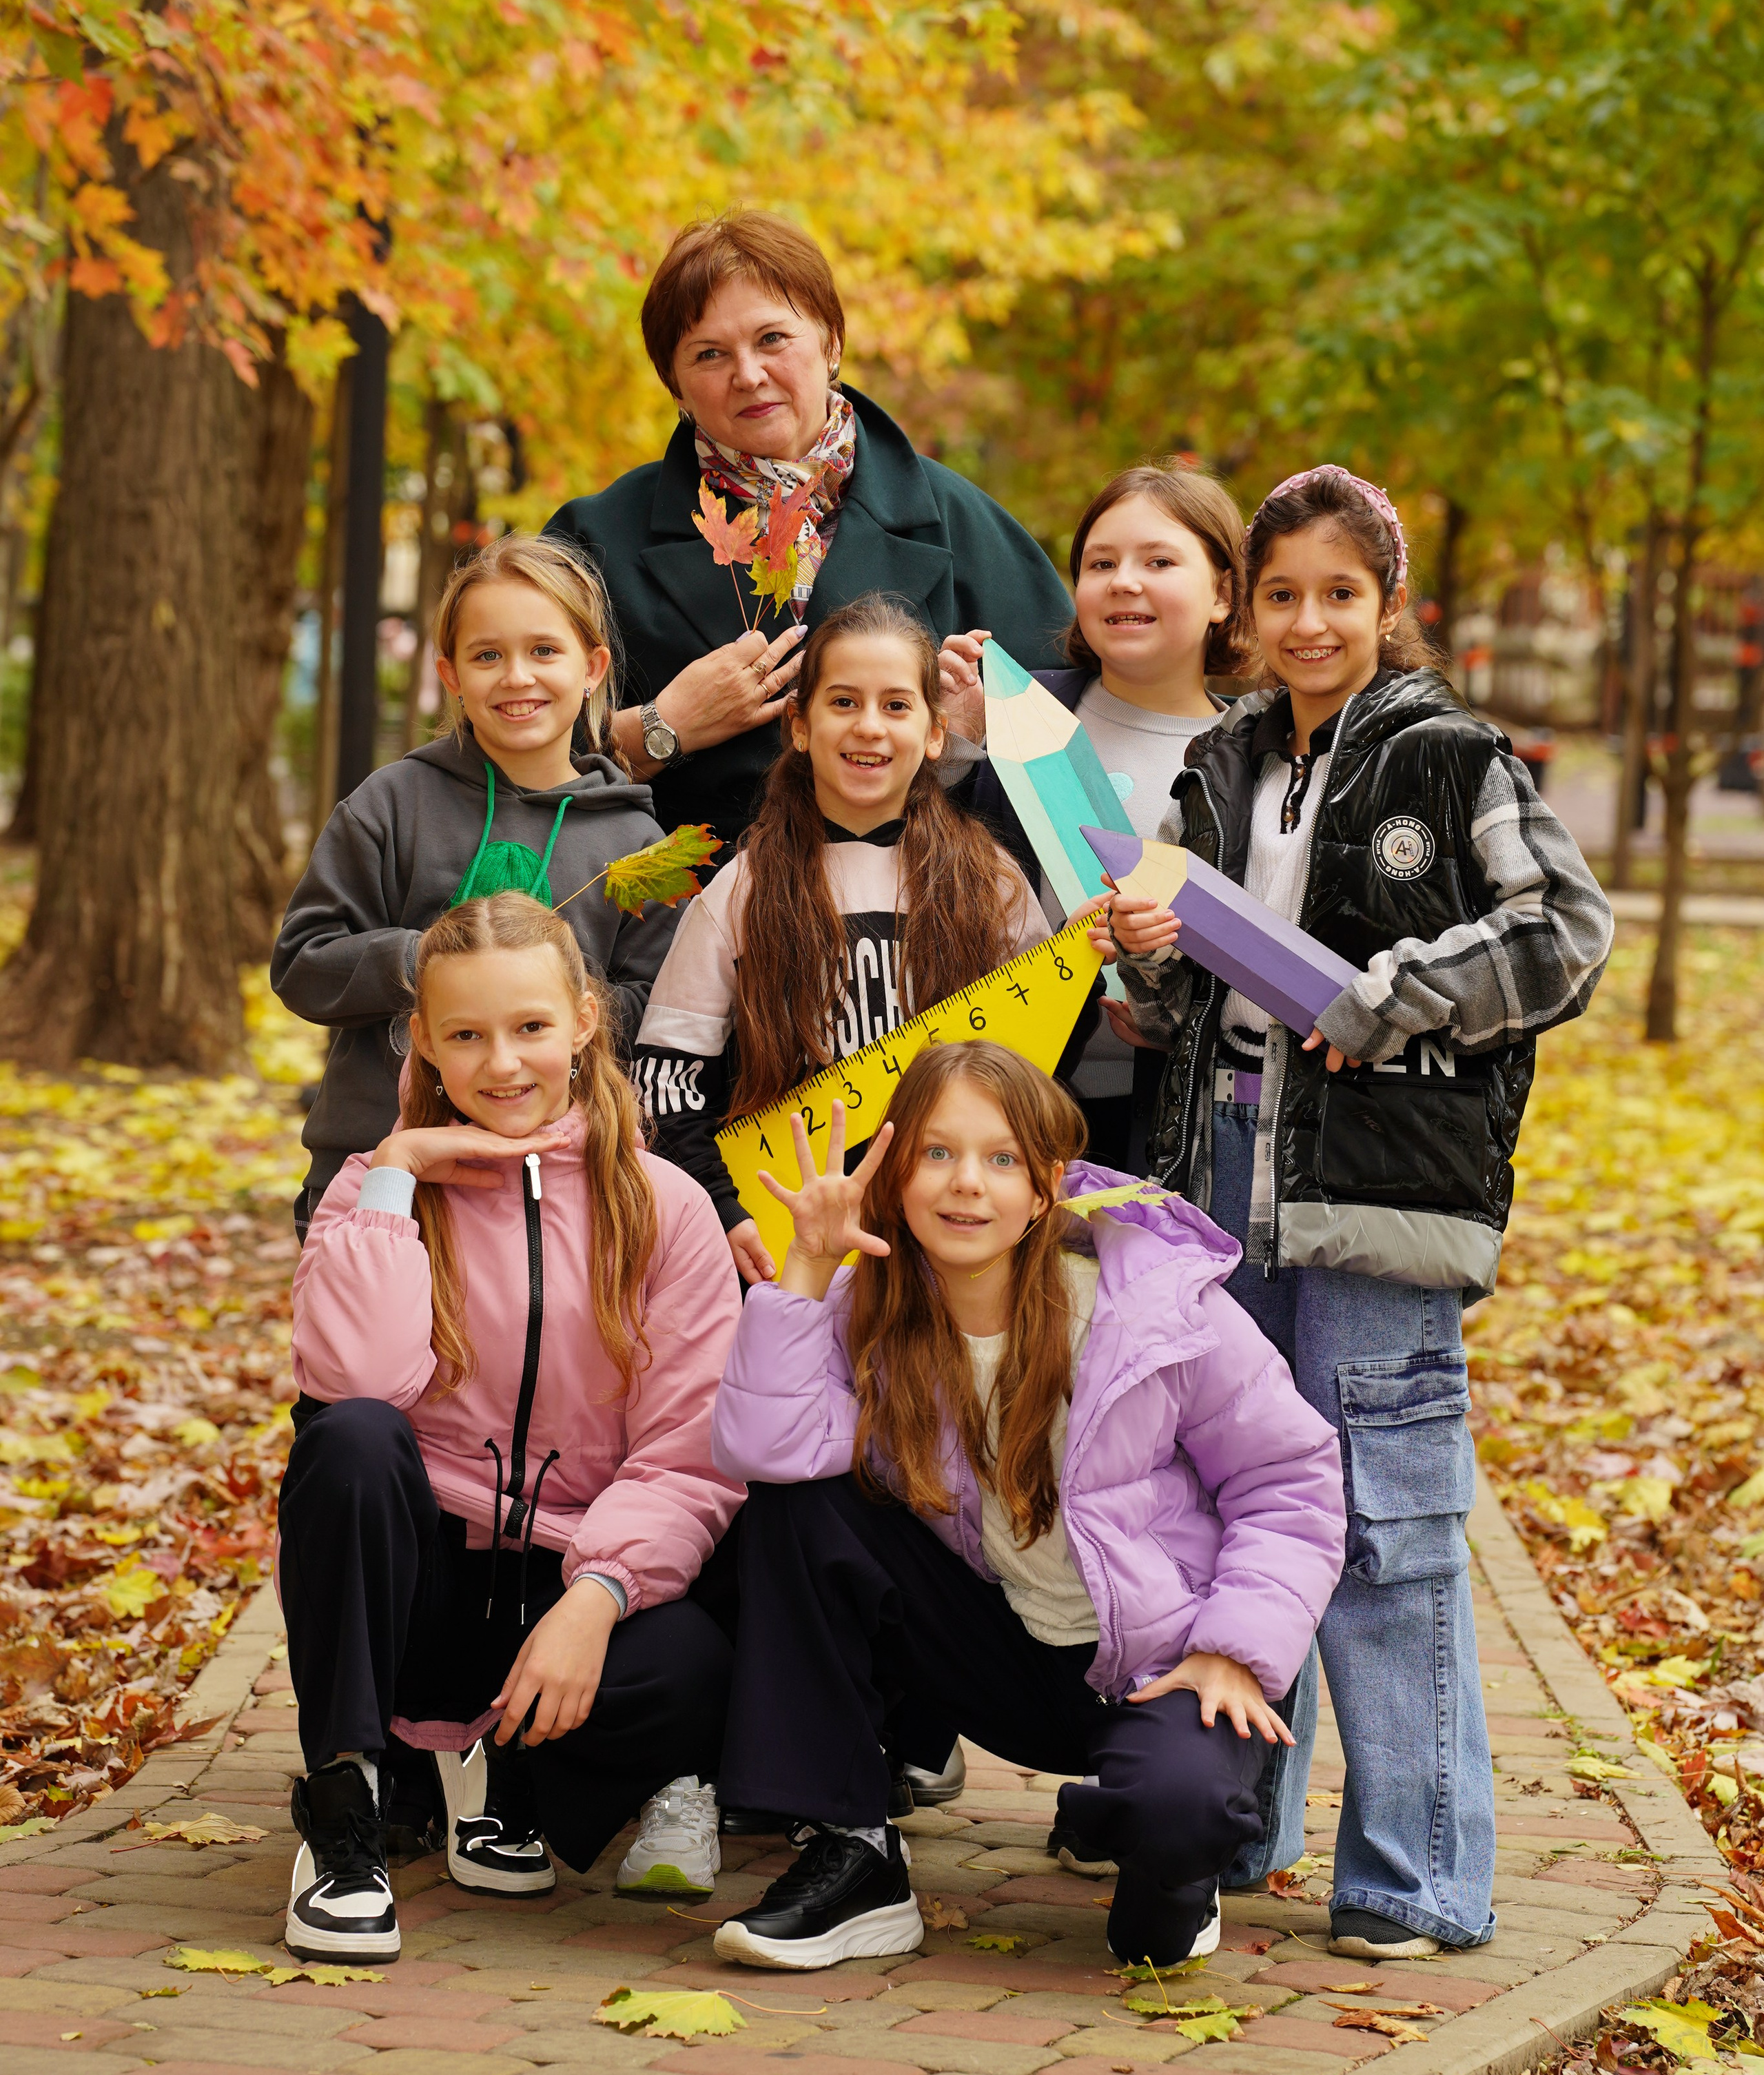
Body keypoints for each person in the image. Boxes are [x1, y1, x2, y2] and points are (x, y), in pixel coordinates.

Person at [1099, 464, 1614, 1962]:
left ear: (1389, 608)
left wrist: (1390, 998)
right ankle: (1239, 1826)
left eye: (1340, 594)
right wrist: (1145, 949)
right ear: (1244, 614)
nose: (1309, 621)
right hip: (1220, 1186)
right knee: (1243, 1514)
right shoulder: (1215, 763)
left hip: (1378, 1199)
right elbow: (1169, 999)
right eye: (1280, 596)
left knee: (1385, 1530)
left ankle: (1411, 1876)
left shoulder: (1452, 761)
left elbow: (1562, 935)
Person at [703, 1043, 1345, 1973]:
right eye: (937, 1154)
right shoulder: (870, 1307)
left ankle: (1141, 1830)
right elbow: (768, 1450)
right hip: (992, 1651)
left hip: (1156, 1664)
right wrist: (804, 1263)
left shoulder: (1152, 1312)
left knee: (1161, 1894)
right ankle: (855, 1855)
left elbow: (1290, 1482)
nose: (967, 1186)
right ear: (896, 1174)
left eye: (1000, 1159)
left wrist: (1232, 1649)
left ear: (1048, 1187)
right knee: (799, 1510)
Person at [280, 891, 742, 1964]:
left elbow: (687, 1451)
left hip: (559, 1577)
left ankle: (507, 1778)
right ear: (427, 1046)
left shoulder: (664, 1206)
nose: (503, 1065)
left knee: (694, 1665)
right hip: (424, 1581)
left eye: (530, 1028)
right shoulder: (372, 1192)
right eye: (468, 1036)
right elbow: (357, 1380)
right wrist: (396, 1175)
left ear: (585, 1020)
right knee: (348, 1438)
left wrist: (599, 1594)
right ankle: (348, 1805)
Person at [542, 211, 1073, 851]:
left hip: (927, 923)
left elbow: (1069, 765)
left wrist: (963, 741)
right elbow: (504, 761)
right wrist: (662, 728)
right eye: (709, 354)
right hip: (681, 929)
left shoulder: (965, 526)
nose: (748, 374)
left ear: (831, 344)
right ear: (674, 385)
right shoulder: (593, 543)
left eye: (772, 339)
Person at [632, 593, 1059, 1291]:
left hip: (954, 1243)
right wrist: (724, 1208)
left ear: (933, 732)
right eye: (842, 702)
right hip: (793, 1243)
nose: (869, 727)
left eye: (896, 706)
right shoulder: (739, 892)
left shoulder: (991, 883)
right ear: (799, 726)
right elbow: (666, 1086)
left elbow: (1040, 1067)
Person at [273, 533, 680, 1234]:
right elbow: (303, 963)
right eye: (488, 655)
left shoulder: (635, 847)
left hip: (553, 1190)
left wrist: (542, 997)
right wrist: (424, 961)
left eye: (543, 651)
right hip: (380, 1170)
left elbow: (651, 1010)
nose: (517, 676)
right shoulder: (393, 804)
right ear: (451, 674)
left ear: (592, 667)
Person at [958, 464, 1251, 1174]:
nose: (1124, 580)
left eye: (1158, 561)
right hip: (1009, 1099)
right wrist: (949, 746)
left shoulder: (1257, 756)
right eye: (1100, 563)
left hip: (1180, 1120)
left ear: (1222, 594)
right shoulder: (1012, 714)